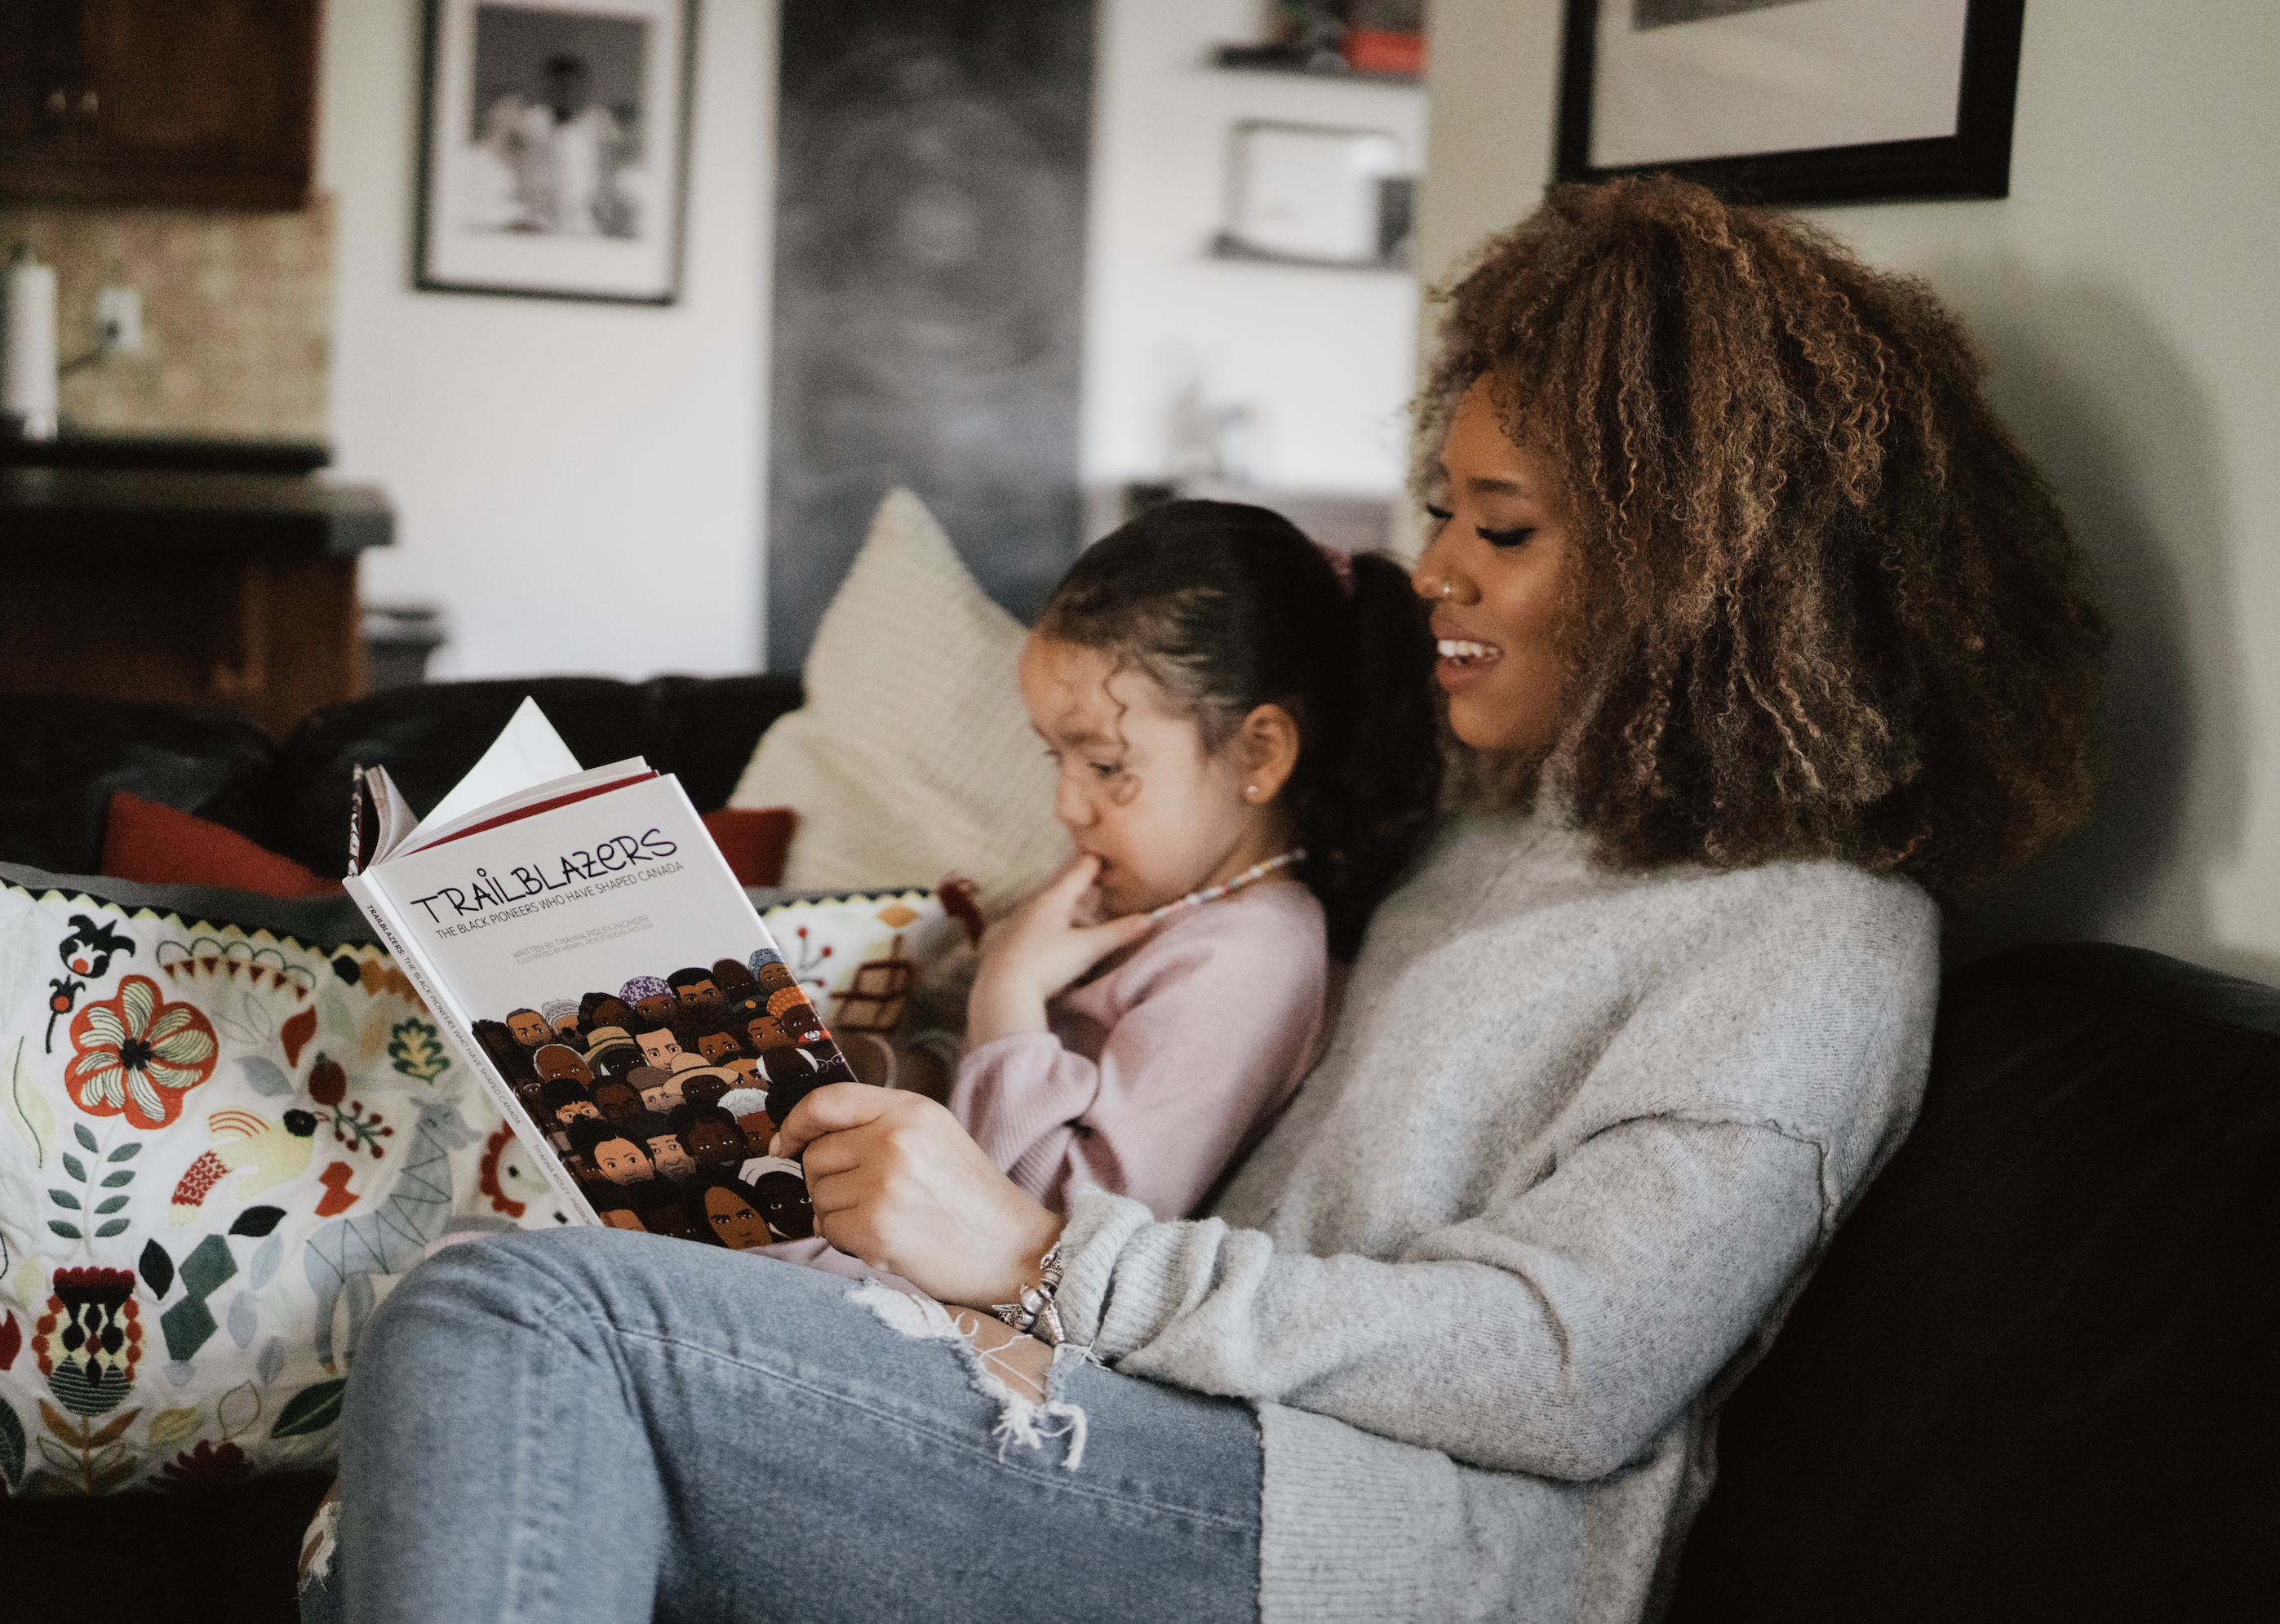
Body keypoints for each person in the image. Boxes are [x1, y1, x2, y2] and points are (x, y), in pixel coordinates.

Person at [321, 178, 2101, 1624]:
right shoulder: (1486, 820)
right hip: (1140, 1408)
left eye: (1503, 529)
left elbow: (1565, 1362)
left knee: (514, 1323)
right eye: (1440, 513)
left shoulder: (1811, 934)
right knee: (486, 1346)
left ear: (1697, 564)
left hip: (1355, 1538)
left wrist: (1033, 1258)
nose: (1437, 573)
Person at [943, 498, 1442, 1220]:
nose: (1067, 806)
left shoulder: (1250, 958)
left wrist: (1008, 995)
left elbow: (1059, 1228)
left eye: (1108, 765)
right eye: (1058, 757)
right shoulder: (1133, 891)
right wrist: (899, 1065)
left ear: (1259, 752)